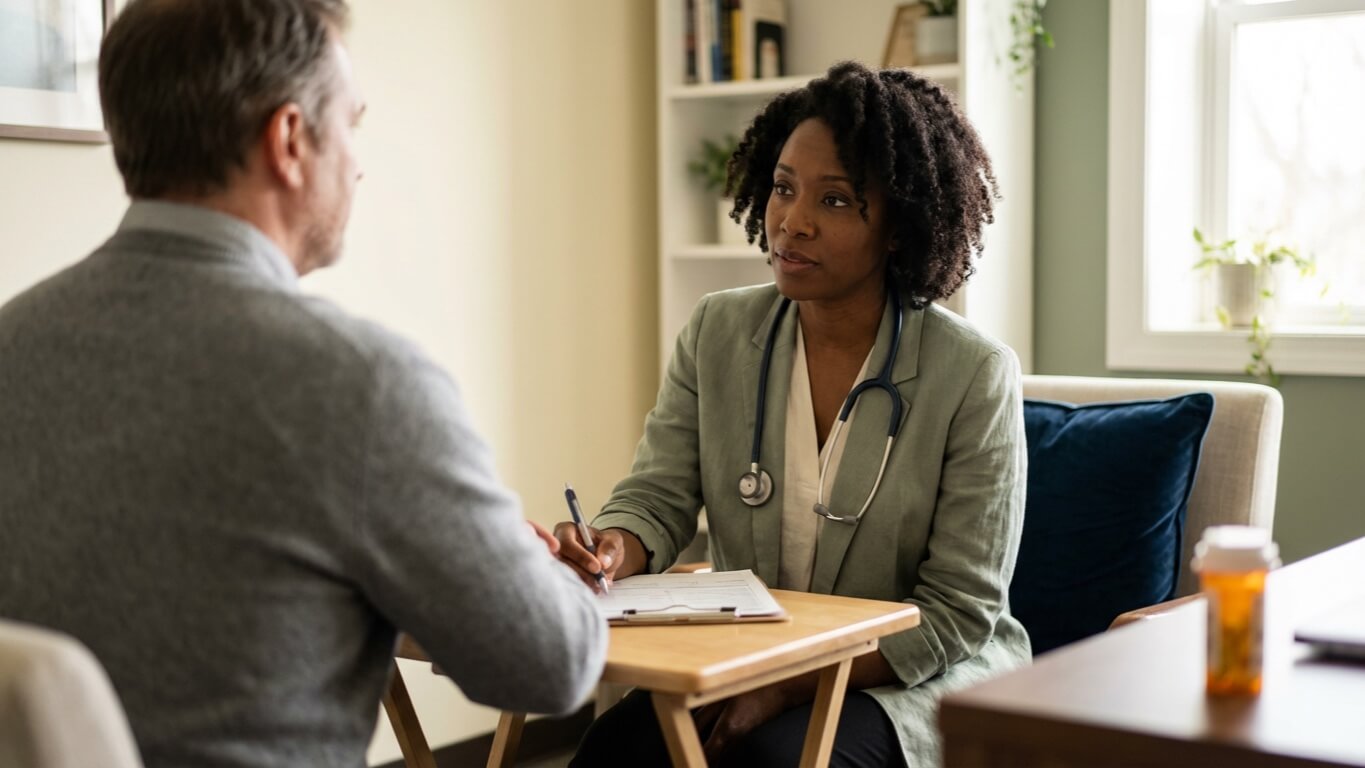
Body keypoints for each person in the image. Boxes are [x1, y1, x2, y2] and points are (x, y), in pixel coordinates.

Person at [0, 1, 606, 766]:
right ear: (289, 141)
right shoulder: (362, 383)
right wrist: (531, 569)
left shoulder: (10, 342)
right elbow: (551, 665)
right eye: (350, 124)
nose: (357, 159)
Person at [555, 61, 1031, 768]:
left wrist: (790, 684)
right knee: (614, 752)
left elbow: (958, 611)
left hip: (912, 676)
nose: (791, 221)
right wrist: (608, 548)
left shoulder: (972, 374)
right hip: (756, 651)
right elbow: (656, 497)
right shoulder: (718, 333)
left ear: (898, 226)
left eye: (834, 201)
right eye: (782, 188)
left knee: (772, 761)